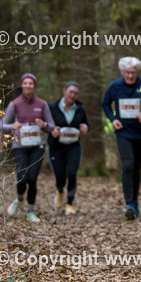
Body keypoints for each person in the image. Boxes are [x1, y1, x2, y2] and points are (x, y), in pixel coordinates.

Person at [102, 57, 141, 219]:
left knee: (136, 169)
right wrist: (113, 119)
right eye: (127, 73)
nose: (130, 76)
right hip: (123, 132)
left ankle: (135, 201)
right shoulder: (115, 86)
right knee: (128, 165)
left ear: (137, 72)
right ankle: (129, 203)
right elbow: (105, 104)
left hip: (140, 133)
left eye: (133, 73)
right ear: (122, 72)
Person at [2, 73, 55, 223]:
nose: (28, 86)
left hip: (37, 147)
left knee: (32, 179)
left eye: (30, 83)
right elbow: (2, 125)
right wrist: (13, 126)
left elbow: (52, 126)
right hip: (20, 146)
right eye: (25, 83)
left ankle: (30, 211)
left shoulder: (42, 104)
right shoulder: (15, 104)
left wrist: (44, 125)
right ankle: (19, 199)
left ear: (34, 86)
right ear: (21, 85)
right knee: (22, 177)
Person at [48, 82, 90, 215]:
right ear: (64, 91)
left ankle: (69, 203)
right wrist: (51, 130)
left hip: (73, 147)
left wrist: (85, 128)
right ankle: (60, 190)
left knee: (72, 172)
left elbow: (86, 124)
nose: (73, 95)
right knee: (60, 176)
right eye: (71, 92)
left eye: (76, 93)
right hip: (56, 147)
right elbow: (45, 124)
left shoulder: (80, 108)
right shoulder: (52, 107)